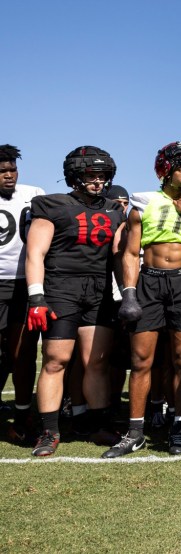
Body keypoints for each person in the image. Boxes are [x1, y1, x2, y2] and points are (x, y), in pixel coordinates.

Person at [102, 143, 181, 457]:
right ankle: (135, 432)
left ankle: (178, 426)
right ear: (165, 169)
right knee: (141, 361)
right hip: (150, 281)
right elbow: (129, 252)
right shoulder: (143, 201)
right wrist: (128, 293)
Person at [26, 146, 126, 457]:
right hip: (61, 287)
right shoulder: (52, 205)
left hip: (99, 291)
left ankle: (97, 426)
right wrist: (36, 295)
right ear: (75, 176)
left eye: (101, 175)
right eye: (90, 175)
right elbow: (35, 253)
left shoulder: (115, 210)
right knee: (56, 360)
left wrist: (128, 293)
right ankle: (49, 430)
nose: (97, 181)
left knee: (96, 363)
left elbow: (123, 256)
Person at [0, 145, 46, 444]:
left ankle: (22, 413)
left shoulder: (34, 193)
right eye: (3, 171)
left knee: (23, 354)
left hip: (23, 284)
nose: (9, 176)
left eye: (12, 170)